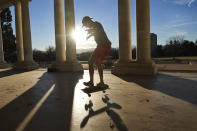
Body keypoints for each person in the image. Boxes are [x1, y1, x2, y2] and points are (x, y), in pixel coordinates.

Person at [82, 16, 111, 87]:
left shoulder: (97, 24)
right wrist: (90, 35)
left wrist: (90, 32)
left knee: (97, 62)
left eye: (86, 25)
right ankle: (91, 82)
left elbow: (97, 30)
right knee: (90, 62)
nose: (86, 27)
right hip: (99, 46)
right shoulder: (93, 27)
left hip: (105, 45)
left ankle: (101, 82)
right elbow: (95, 31)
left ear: (88, 21)